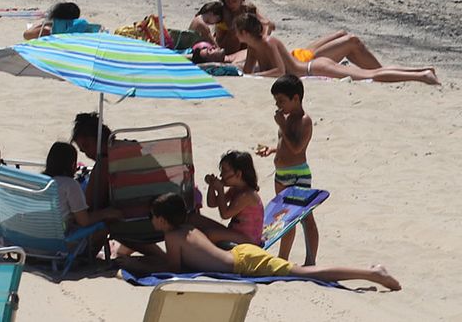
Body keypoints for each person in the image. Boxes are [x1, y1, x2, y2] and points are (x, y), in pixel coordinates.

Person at [127, 193, 399, 290]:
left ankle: (371, 273)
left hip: (245, 264)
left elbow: (174, 270)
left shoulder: (171, 236)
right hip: (242, 253)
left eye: (152, 216)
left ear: (162, 220)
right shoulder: (187, 226)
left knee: (305, 273)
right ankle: (371, 271)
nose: (151, 220)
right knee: (300, 271)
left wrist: (137, 264)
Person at [235, 11, 438, 84]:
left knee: (371, 75)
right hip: (311, 66)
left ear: (244, 32)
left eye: (238, 32)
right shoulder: (253, 46)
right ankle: (422, 72)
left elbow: (280, 71)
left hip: (314, 68)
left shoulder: (269, 42)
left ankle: (420, 75)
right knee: (370, 73)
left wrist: (255, 76)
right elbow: (247, 72)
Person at [256, 74, 316, 262]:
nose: (278, 105)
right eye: (276, 101)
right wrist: (272, 150)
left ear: (295, 98)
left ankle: (310, 260)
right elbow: (285, 144)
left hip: (298, 174)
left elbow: (297, 148)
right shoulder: (287, 119)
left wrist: (282, 124)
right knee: (284, 218)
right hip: (281, 174)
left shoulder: (304, 121)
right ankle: (283, 258)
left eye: (281, 100)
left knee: (305, 217)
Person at [43, 141, 123, 236]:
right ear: (73, 165)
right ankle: (88, 251)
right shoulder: (69, 185)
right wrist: (106, 213)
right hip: (58, 240)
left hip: (33, 239)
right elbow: (84, 221)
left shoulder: (39, 182)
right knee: (103, 227)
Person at [193, 150, 264, 247]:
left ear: (238, 174)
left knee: (209, 234)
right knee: (195, 219)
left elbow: (225, 215)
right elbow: (212, 203)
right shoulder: (235, 189)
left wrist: (220, 190)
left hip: (248, 239)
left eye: (225, 171)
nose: (221, 175)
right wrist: (212, 186)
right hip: (236, 232)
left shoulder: (247, 195)